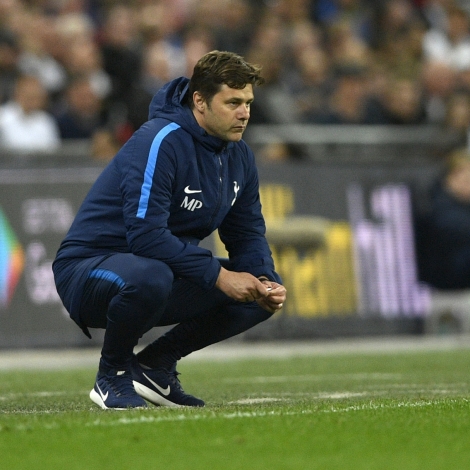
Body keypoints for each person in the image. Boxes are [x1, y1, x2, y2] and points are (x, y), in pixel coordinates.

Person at [52, 50, 287, 410]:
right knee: (153, 274)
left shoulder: (239, 156)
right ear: (200, 101)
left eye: (248, 103)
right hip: (89, 269)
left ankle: (154, 366)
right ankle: (111, 375)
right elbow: (145, 236)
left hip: (155, 270)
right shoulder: (160, 140)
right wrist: (218, 276)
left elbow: (247, 233)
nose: (244, 113)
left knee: (256, 286)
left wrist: (265, 280)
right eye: (233, 102)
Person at [415, 147, 470, 290]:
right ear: (454, 174)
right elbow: (453, 226)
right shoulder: (432, 202)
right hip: (438, 289)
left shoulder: (461, 206)